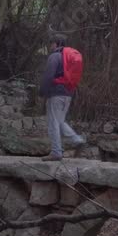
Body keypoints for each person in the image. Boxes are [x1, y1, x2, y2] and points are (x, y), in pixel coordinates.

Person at [39, 33, 85, 161]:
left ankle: (56, 152)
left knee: (53, 122)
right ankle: (77, 139)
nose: (50, 46)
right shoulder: (67, 59)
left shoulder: (55, 57)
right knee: (59, 121)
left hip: (56, 93)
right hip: (68, 94)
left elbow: (48, 76)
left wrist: (42, 91)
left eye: (51, 43)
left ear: (56, 43)